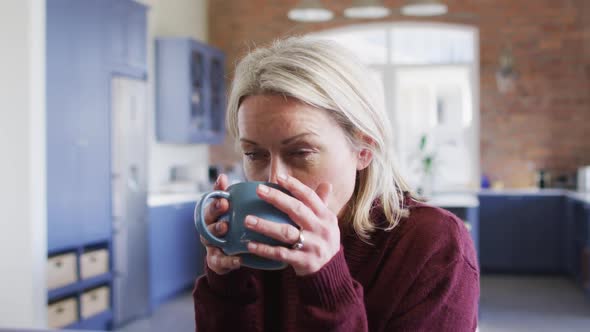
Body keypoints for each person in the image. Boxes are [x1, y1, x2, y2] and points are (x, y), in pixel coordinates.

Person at [193, 36, 479, 331]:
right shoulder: (253, 240)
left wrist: (326, 283)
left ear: (364, 150)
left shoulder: (433, 244)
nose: (273, 178)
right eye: (254, 154)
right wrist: (226, 286)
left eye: (301, 152)